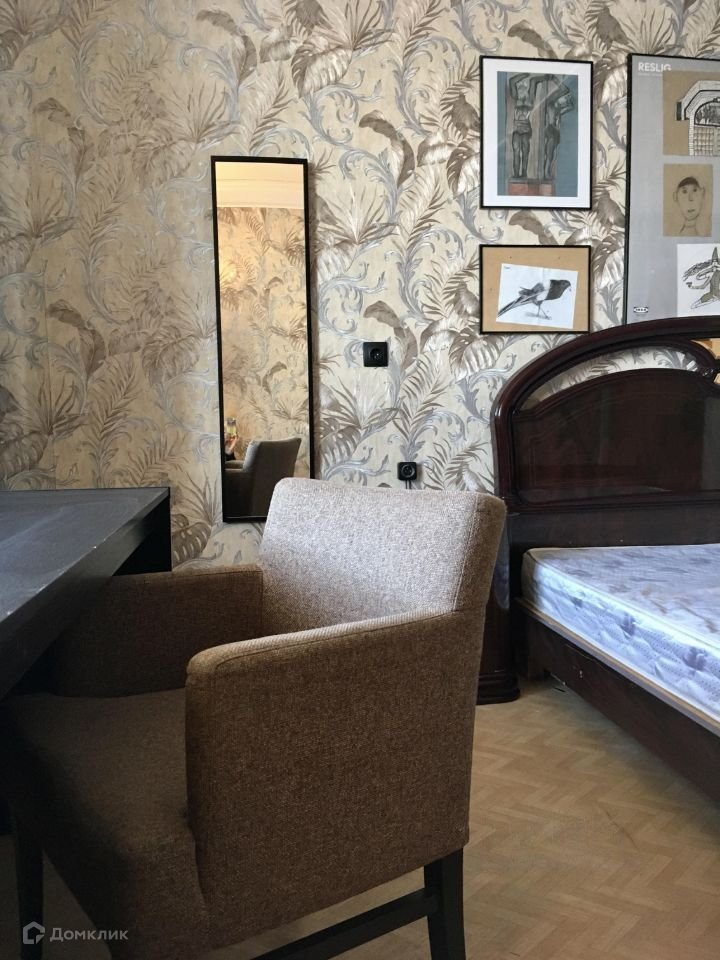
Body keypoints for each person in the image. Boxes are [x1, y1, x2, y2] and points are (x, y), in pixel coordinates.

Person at [508, 72, 545, 179]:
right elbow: (512, 81)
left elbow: (533, 81)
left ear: (527, 90)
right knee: (516, 151)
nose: (522, 89)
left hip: (526, 130)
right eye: (520, 88)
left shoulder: (530, 99)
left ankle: (524, 173)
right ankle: (516, 173)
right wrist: (525, 74)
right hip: (516, 129)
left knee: (525, 151)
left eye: (524, 87)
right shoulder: (516, 98)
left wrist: (545, 77)